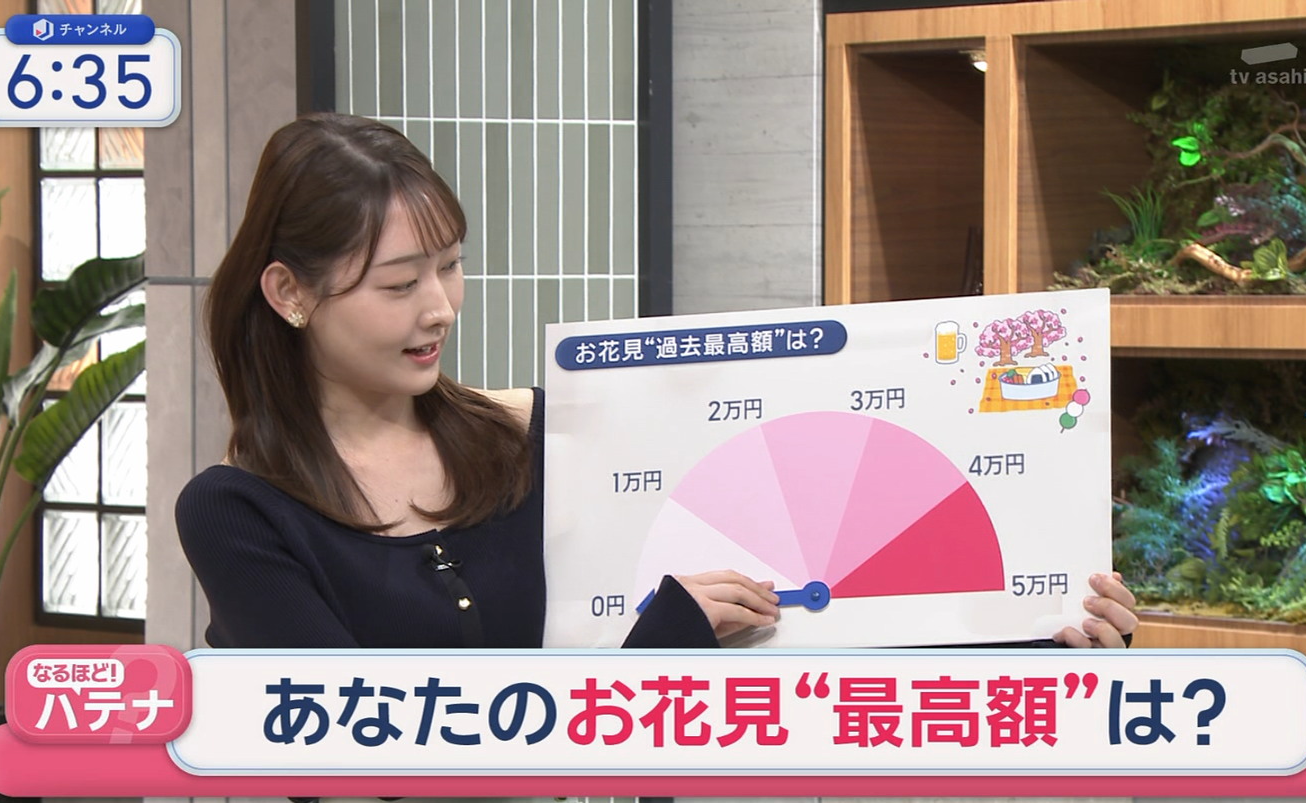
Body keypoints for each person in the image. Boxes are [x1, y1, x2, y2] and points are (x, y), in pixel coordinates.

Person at [175, 111, 1137, 654]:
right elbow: (355, 759)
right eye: (398, 285)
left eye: (451, 267)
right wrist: (664, 642)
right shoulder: (237, 514)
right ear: (289, 293)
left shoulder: (536, 437)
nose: (440, 308)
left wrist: (1037, 634)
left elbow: (816, 597)